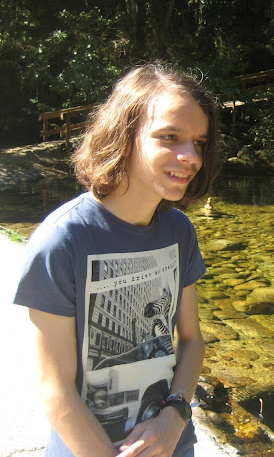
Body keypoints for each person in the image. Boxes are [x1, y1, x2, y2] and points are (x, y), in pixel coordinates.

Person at [13, 62, 219, 457]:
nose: (191, 156)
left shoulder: (179, 231)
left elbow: (192, 341)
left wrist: (174, 417)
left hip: (173, 445)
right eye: (170, 137)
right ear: (124, 135)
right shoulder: (63, 240)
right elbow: (55, 391)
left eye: (199, 142)